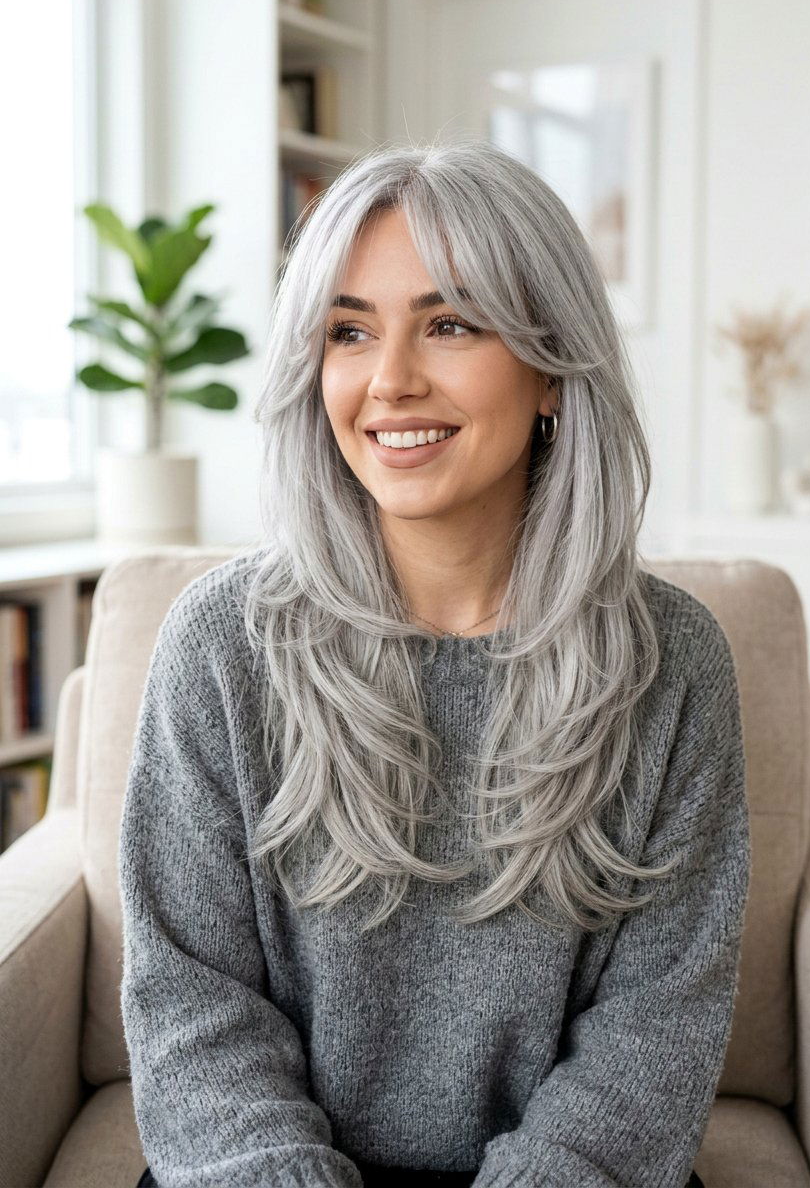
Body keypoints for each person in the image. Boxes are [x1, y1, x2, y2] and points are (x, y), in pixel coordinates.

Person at [119, 137, 749, 1187]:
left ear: (552, 367)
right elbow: (191, 1008)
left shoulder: (673, 665)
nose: (389, 381)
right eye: (348, 332)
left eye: (449, 323)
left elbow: (654, 1036)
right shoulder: (217, 646)